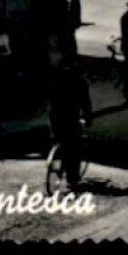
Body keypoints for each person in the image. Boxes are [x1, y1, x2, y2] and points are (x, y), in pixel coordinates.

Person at [48, 55, 93, 188]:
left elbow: (50, 99)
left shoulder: (57, 81)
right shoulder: (81, 84)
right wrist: (88, 119)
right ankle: (72, 178)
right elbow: (86, 105)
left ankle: (58, 156)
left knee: (59, 139)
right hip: (71, 118)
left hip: (55, 117)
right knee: (75, 147)